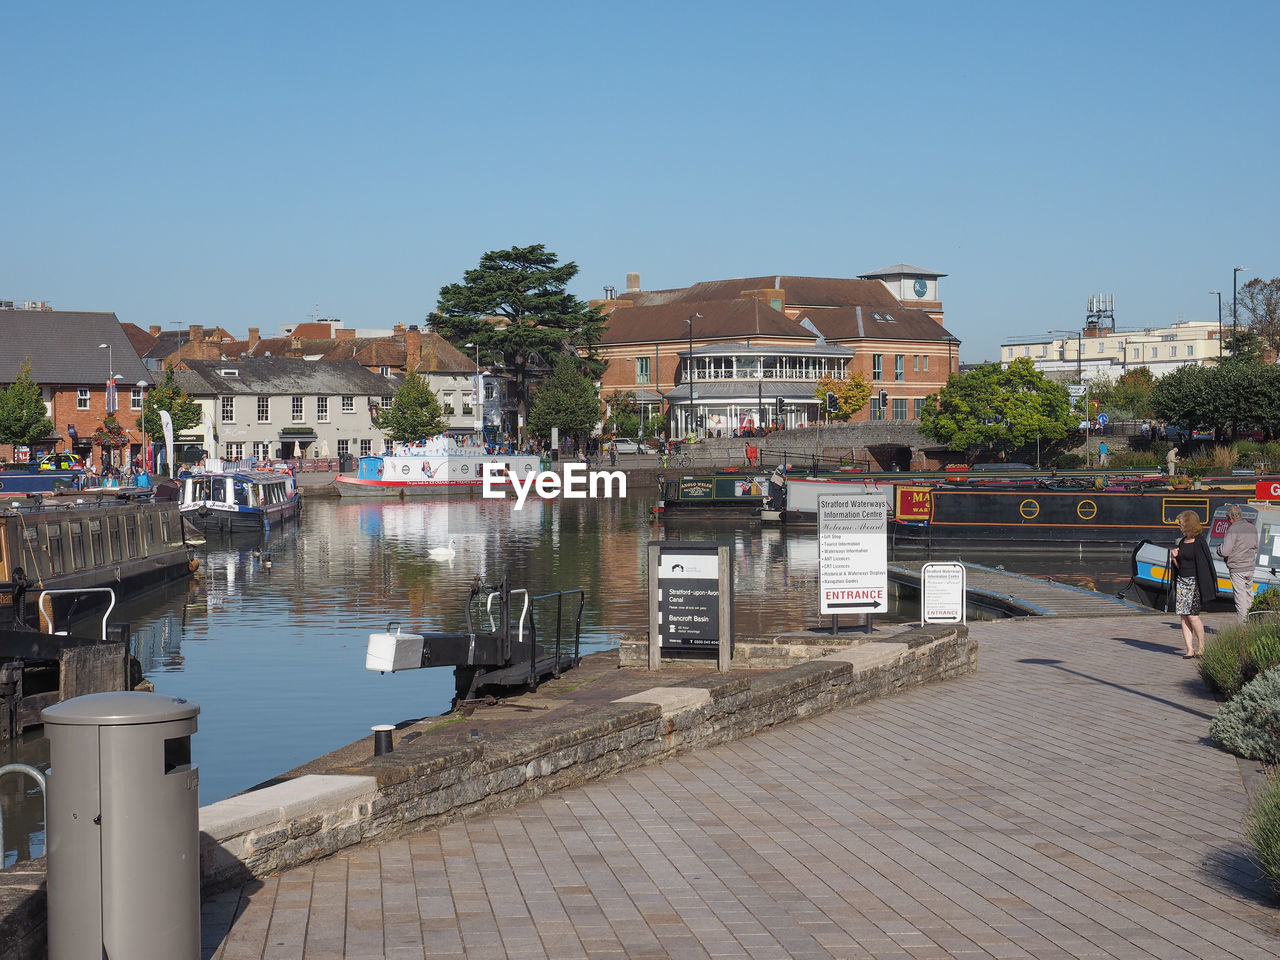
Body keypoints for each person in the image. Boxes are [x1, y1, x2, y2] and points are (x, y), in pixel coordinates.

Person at [1169, 510, 1216, 658]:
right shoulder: (1182, 542)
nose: (1178, 525)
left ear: (1188, 523)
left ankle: (1202, 646)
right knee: (1183, 616)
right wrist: (1174, 558)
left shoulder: (1199, 542)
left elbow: (1206, 564)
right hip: (1182, 582)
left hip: (1195, 583)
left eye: (1180, 523)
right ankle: (1189, 649)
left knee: (1193, 616)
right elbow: (1179, 566)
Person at [1217, 504, 1259, 624]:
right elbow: (1256, 548)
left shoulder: (1232, 529)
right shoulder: (1252, 528)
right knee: (1249, 595)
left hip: (1237, 568)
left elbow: (1225, 551)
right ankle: (1253, 621)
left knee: (1240, 598)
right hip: (1250, 567)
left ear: (1230, 517)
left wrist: (1218, 549)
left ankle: (1244, 627)